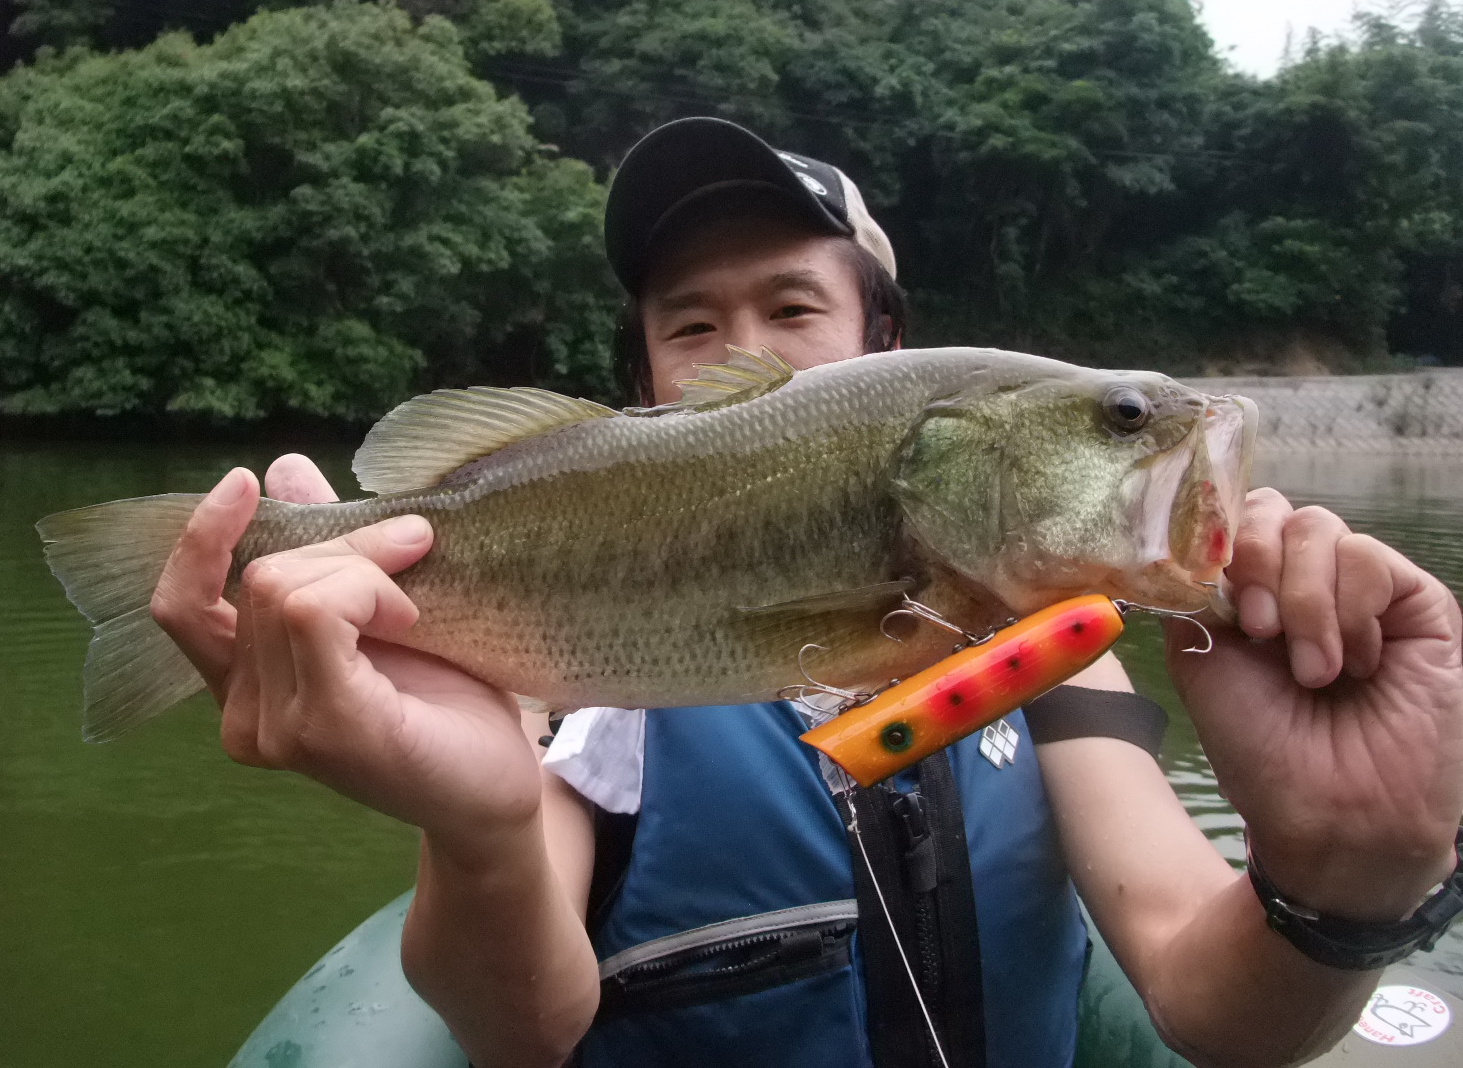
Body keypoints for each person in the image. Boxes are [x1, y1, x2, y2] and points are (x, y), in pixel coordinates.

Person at [149, 118, 1463, 1068]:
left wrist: (1349, 871)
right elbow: (521, 1030)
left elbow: (1204, 994)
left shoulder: (1056, 651)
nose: (744, 349)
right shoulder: (588, 696)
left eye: (792, 306)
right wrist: (478, 823)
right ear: (644, 376)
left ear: (888, 348)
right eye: (690, 324)